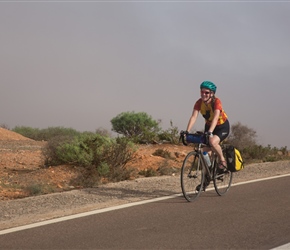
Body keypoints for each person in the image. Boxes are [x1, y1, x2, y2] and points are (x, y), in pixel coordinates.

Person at [185, 81, 230, 190]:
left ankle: (222, 161)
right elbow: (194, 117)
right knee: (204, 152)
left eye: (206, 92)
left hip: (221, 127)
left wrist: (210, 132)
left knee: (213, 142)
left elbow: (215, 118)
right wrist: (187, 131)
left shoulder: (217, 102)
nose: (203, 94)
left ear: (212, 94)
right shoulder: (199, 103)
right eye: (202, 92)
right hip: (209, 126)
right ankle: (208, 176)